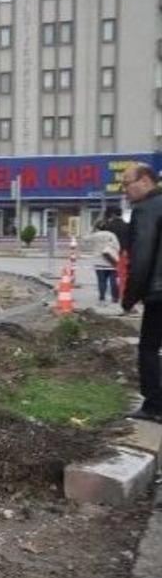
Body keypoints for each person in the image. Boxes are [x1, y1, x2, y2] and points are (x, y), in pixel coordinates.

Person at [120, 164, 162, 423]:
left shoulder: (146, 209)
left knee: (148, 348)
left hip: (159, 293)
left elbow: (143, 256)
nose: (126, 190)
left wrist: (130, 297)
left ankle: (154, 405)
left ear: (145, 180)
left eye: (128, 183)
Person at [87, 220, 120, 304]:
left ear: (98, 227)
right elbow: (117, 247)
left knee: (101, 281)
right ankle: (115, 298)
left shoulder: (95, 235)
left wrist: (92, 229)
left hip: (99, 262)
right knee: (113, 281)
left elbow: (85, 240)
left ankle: (102, 298)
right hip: (111, 261)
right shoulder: (112, 235)